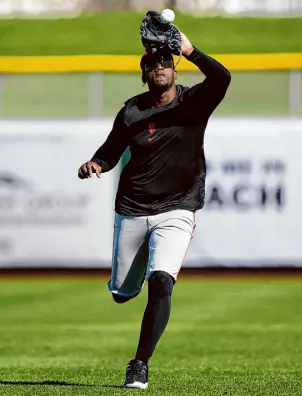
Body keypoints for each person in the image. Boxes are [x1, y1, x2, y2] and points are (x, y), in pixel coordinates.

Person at [78, 32, 231, 389]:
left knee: (161, 282)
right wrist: (96, 163)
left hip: (177, 207)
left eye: (165, 62)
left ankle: (139, 363)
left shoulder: (194, 102)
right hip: (132, 208)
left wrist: (190, 49)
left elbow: (222, 77)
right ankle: (127, 281)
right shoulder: (132, 109)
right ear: (144, 74)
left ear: (175, 69)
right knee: (121, 293)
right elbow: (111, 149)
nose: (159, 66)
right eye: (151, 64)